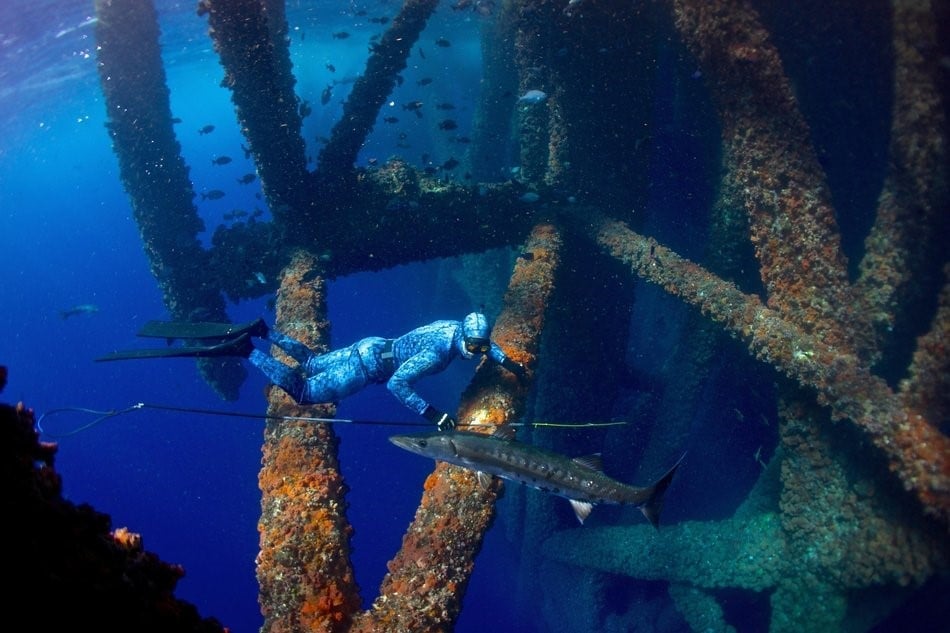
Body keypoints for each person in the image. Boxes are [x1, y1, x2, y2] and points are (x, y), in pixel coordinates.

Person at [98, 312, 527, 430]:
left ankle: (266, 330)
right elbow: (399, 382)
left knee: (308, 360)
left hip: (374, 343)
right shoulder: (438, 353)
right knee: (303, 391)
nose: (475, 352)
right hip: (372, 367)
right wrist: (433, 415)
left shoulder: (457, 327)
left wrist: (513, 368)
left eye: (478, 346)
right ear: (464, 340)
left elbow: (493, 349)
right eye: (472, 347)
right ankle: (247, 347)